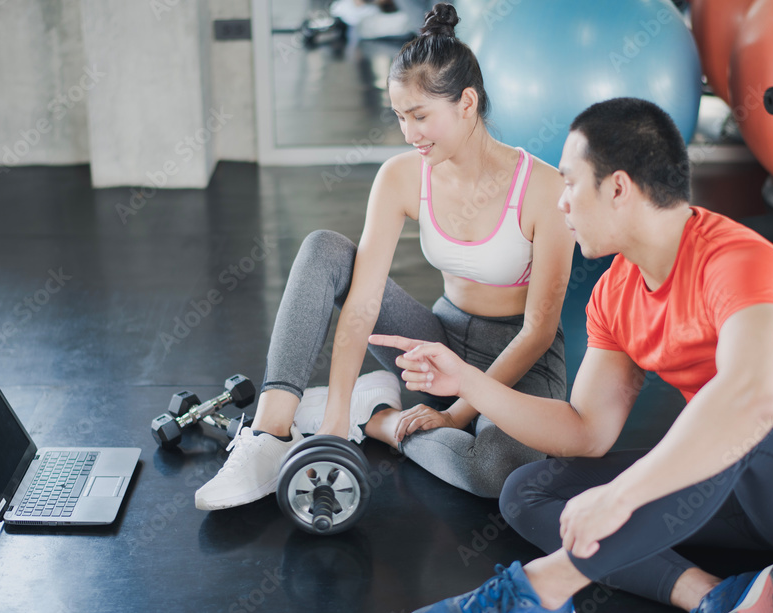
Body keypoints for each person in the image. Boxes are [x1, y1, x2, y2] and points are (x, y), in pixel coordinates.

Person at [370, 98, 773, 613]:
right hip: (736, 492)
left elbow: (757, 395)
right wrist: (467, 382)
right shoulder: (615, 294)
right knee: (528, 491)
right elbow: (584, 431)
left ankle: (543, 590)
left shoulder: (739, 261)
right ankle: (717, 595)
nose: (561, 201)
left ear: (618, 187)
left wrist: (622, 495)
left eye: (570, 183)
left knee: (749, 406)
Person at [193, 3, 573, 511]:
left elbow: (539, 331)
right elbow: (364, 299)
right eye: (399, 116)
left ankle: (378, 418)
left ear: (466, 102)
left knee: (494, 471)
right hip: (439, 345)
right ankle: (270, 433)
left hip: (522, 363)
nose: (409, 133)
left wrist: (458, 412)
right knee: (324, 248)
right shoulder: (402, 176)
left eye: (420, 116)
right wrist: (331, 429)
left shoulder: (544, 188)